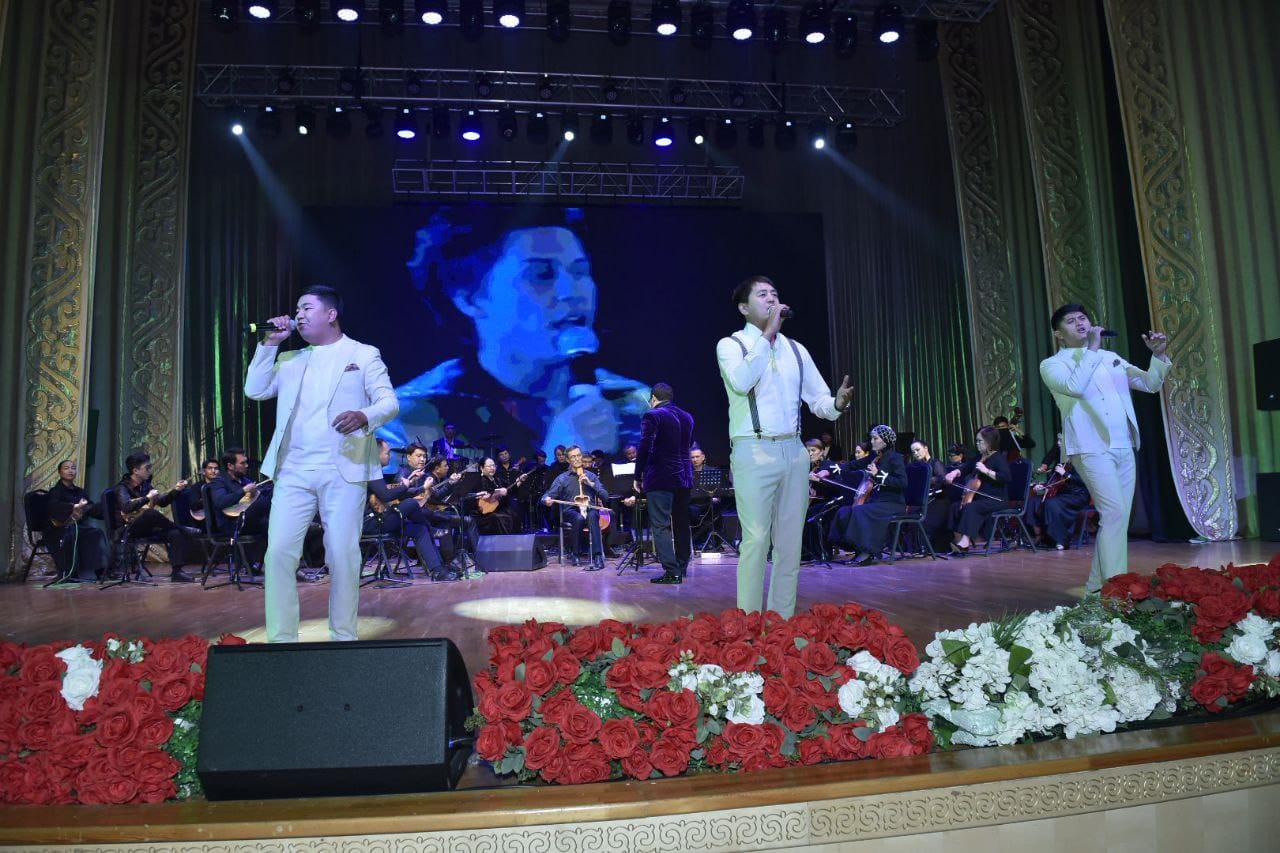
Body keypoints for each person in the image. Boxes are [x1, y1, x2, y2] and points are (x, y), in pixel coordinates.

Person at [381, 208, 650, 459]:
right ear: (470, 297)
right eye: (541, 274)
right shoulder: (409, 416)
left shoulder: (633, 402)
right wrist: (560, 455)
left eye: (580, 271)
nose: (571, 292)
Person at [245, 284, 399, 643]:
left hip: (342, 470)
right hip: (293, 470)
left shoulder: (362, 354)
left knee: (342, 555)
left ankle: (343, 636)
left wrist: (363, 415)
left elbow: (389, 402)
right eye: (297, 309)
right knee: (278, 553)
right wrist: (269, 344)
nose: (298, 315)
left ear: (331, 314)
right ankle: (282, 639)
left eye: (307, 308)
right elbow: (255, 390)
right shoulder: (290, 359)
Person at [716, 276, 854, 617]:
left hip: (794, 451)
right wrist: (767, 336)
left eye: (775, 294)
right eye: (762, 295)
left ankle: (782, 622)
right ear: (744, 308)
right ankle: (748, 623)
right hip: (753, 449)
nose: (771, 299)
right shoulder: (731, 345)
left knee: (790, 544)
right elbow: (741, 381)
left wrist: (837, 404)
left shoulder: (796, 349)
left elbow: (819, 400)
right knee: (756, 540)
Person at [1039, 304, 1170, 591]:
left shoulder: (1111, 358)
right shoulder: (1052, 365)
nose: (1080, 324)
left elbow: (1150, 384)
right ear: (1059, 334)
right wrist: (1092, 350)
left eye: (1083, 318)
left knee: (1117, 518)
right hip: (1089, 446)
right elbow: (1075, 387)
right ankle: (1116, 591)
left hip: (1123, 444)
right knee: (1114, 513)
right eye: (1071, 321)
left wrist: (1158, 356)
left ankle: (1097, 589)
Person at [634, 382, 695, 584]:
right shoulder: (687, 417)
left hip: (661, 476)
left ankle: (672, 571)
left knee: (660, 525)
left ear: (653, 398)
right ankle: (681, 567)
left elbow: (644, 447)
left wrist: (638, 475)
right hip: (684, 477)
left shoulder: (652, 415)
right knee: (681, 523)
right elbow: (688, 445)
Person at [828, 426, 907, 565]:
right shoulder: (874, 457)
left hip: (893, 503)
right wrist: (828, 470)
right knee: (844, 511)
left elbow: (902, 483)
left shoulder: (896, 458)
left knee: (861, 511)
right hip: (877, 501)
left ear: (885, 441)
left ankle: (867, 553)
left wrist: (878, 475)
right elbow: (854, 464)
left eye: (875, 438)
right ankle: (857, 548)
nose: (872, 441)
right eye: (872, 438)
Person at [112, 452, 196, 582]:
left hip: (146, 528)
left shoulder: (146, 485)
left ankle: (177, 572)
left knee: (174, 533)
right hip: (128, 529)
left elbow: (162, 502)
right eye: (147, 468)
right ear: (135, 471)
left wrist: (176, 490)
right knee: (150, 513)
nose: (150, 470)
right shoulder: (122, 488)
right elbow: (126, 507)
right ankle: (182, 528)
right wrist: (147, 498)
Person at [542, 445, 611, 570]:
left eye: (579, 455)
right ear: (568, 460)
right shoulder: (563, 478)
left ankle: (598, 557)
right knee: (578, 518)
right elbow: (547, 495)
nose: (577, 459)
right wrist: (546, 500)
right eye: (573, 457)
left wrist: (590, 484)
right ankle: (576, 553)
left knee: (593, 515)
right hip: (571, 512)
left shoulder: (591, 476)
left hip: (589, 509)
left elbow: (605, 496)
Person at [944, 426, 1010, 555]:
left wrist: (986, 471)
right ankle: (958, 541)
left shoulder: (998, 458)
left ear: (989, 442)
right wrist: (954, 473)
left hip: (997, 499)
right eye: (977, 441)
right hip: (981, 498)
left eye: (980, 441)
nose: (977, 444)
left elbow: (1006, 477)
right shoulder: (979, 457)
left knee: (972, 507)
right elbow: (965, 467)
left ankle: (965, 543)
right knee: (955, 507)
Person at [45, 459, 110, 582]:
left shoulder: (80, 491)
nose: (70, 470)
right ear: (60, 472)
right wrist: (74, 506)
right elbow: (54, 508)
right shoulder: (55, 491)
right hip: (58, 528)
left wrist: (104, 507)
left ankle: (101, 571)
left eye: (73, 468)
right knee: (70, 534)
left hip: (77, 526)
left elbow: (90, 507)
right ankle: (70, 573)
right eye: (66, 468)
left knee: (96, 533)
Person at [476, 457, 517, 535]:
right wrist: (498, 492)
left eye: (494, 466)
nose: (492, 468)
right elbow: (484, 496)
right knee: (500, 518)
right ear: (481, 468)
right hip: (484, 513)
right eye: (489, 466)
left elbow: (511, 488)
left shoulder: (498, 479)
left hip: (499, 510)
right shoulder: (478, 481)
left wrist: (519, 481)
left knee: (513, 514)